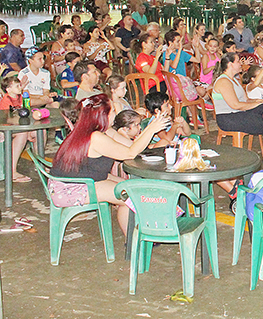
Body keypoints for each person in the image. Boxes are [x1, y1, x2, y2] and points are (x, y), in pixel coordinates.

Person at [50, 93, 169, 235]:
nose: (115, 113)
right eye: (112, 111)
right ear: (102, 115)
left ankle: (136, 235)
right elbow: (130, 153)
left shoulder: (96, 130)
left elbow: (131, 147)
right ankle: (134, 241)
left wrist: (148, 131)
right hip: (71, 187)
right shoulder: (95, 137)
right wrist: (151, 130)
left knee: (133, 187)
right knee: (131, 195)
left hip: (82, 178)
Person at [211, 53, 263, 169]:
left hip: (238, 114)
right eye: (238, 61)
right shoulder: (223, 81)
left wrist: (257, 101)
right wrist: (255, 104)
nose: (241, 63)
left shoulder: (234, 80)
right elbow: (236, 105)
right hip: (228, 118)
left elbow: (245, 99)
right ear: (230, 64)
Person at [0, 76, 37, 182]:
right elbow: (6, 119)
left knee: (40, 131)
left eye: (20, 85)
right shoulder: (6, 101)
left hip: (19, 125)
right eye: (17, 86)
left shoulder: (21, 98)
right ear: (8, 89)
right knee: (22, 134)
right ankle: (12, 171)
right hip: (7, 128)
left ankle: (40, 163)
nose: (20, 87)